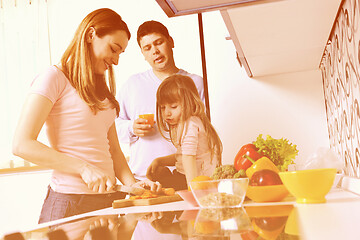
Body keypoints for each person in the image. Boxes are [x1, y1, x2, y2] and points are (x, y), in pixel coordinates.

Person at [12, 8, 161, 223]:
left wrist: (132, 185)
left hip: (107, 204)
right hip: (69, 204)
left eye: (120, 53)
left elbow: (114, 152)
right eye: (113, 49)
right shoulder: (54, 78)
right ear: (91, 35)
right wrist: (83, 168)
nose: (116, 60)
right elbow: (22, 144)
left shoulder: (103, 91)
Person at [115, 20, 205, 187]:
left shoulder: (195, 83)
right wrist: (131, 128)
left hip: (186, 178)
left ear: (170, 42)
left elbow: (205, 132)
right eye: (147, 48)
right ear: (142, 53)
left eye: (159, 43)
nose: (155, 51)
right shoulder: (132, 85)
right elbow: (112, 127)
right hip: (143, 180)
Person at [146, 75, 223, 189]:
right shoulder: (193, 121)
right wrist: (160, 161)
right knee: (160, 173)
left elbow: (188, 157)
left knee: (158, 182)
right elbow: (182, 156)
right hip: (192, 177)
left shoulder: (190, 124)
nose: (167, 113)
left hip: (195, 179)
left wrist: (192, 188)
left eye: (173, 106)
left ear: (190, 102)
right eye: (163, 107)